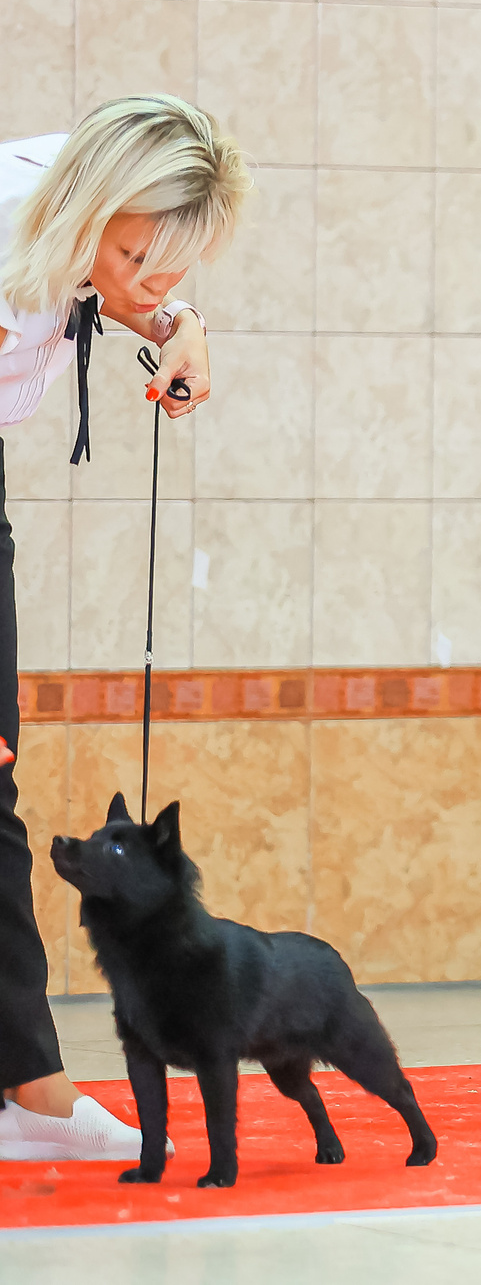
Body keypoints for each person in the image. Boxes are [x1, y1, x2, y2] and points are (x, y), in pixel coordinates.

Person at [0, 96, 249, 1161]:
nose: (161, 285)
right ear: (90, 213)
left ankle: (25, 1098)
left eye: (176, 268)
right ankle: (31, 1099)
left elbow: (127, 282)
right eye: (144, 262)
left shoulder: (86, 199)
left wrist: (172, 326)